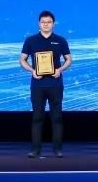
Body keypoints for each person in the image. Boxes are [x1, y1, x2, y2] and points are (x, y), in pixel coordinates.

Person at [19, 10, 72, 158]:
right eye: (43, 22)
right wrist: (32, 70)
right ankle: (35, 150)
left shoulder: (60, 40)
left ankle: (58, 149)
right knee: (37, 118)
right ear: (39, 23)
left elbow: (68, 59)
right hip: (37, 85)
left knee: (57, 118)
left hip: (55, 84)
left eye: (49, 22)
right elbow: (22, 59)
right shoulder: (31, 40)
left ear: (53, 24)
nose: (46, 24)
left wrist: (60, 70)